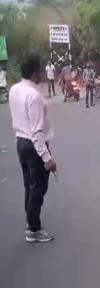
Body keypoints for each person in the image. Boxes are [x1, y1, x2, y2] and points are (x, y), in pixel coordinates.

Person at [9, 55, 57, 243]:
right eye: (42, 69)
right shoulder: (34, 95)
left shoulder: (15, 89)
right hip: (34, 145)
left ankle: (31, 221)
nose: (44, 72)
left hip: (21, 143)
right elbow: (37, 131)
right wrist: (47, 158)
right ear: (35, 73)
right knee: (38, 188)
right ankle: (33, 229)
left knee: (29, 186)